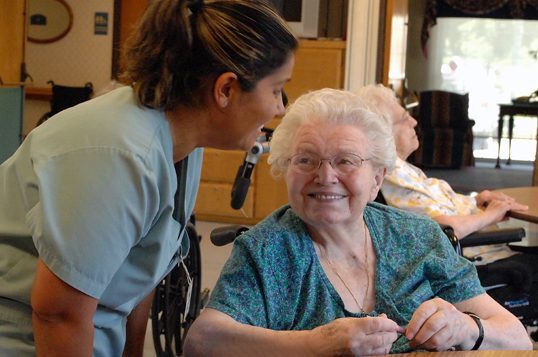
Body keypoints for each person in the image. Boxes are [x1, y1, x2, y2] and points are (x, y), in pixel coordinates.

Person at [0, 0, 297, 356]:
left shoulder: (184, 141)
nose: (280, 108)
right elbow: (58, 316)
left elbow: (143, 267)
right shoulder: (119, 155)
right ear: (226, 90)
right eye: (277, 89)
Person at [184, 88, 532, 356]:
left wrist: (466, 329)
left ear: (377, 179)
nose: (326, 177)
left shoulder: (417, 237)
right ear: (285, 170)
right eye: (306, 160)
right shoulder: (265, 251)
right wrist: (317, 344)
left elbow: (517, 338)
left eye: (346, 161)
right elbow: (201, 342)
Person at [355, 84, 529, 264]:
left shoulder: (402, 167)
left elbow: (431, 205)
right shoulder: (391, 172)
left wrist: (475, 200)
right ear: (384, 132)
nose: (414, 122)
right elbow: (445, 228)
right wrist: (490, 215)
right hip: (471, 262)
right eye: (405, 118)